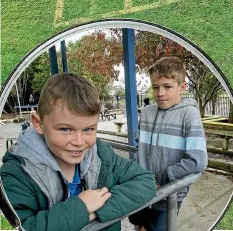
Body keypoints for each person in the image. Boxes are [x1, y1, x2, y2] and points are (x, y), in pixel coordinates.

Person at [0, 73, 156, 231]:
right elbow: (19, 227)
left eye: (88, 129)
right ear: (38, 123)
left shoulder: (102, 154)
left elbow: (146, 182)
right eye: (65, 129)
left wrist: (95, 209)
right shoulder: (16, 174)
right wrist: (81, 208)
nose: (79, 142)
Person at [129, 57, 207, 231]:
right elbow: (140, 149)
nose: (160, 93)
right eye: (155, 87)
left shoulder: (189, 114)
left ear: (182, 87)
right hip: (141, 191)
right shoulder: (148, 112)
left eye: (167, 86)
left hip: (168, 194)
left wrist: (162, 177)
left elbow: (198, 161)